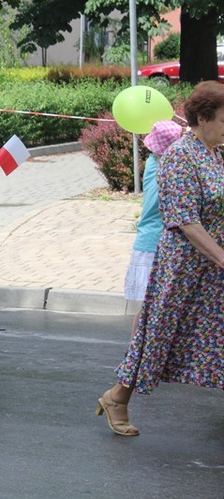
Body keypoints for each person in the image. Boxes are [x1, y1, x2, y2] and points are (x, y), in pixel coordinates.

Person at [96, 81, 224, 437]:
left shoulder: (214, 152)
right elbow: (185, 220)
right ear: (203, 118)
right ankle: (117, 397)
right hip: (184, 267)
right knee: (159, 335)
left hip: (210, 267)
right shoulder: (181, 156)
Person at [123, 119, 182, 335]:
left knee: (148, 311)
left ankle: (135, 353)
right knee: (153, 310)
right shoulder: (167, 171)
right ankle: (137, 355)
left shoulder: (151, 161)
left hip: (146, 241)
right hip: (154, 245)